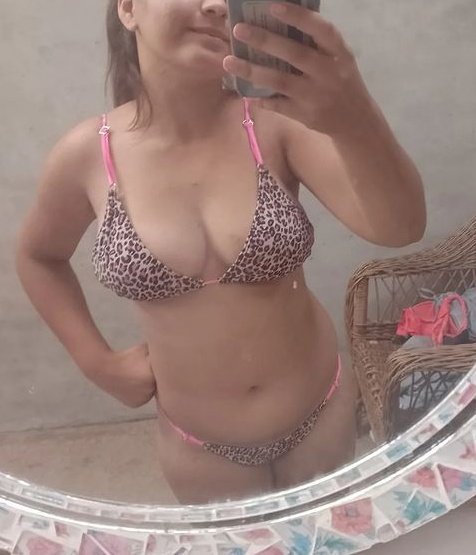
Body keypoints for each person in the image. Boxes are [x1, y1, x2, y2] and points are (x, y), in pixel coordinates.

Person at [15, 0, 426, 504]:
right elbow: (37, 256)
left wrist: (353, 115)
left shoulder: (275, 123)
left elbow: (399, 228)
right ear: (128, 8)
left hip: (320, 413)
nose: (216, 4)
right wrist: (95, 361)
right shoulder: (88, 156)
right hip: (200, 446)